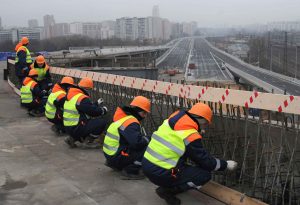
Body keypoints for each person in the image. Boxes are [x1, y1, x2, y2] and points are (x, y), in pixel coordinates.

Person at [142, 103, 238, 205]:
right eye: (205, 124)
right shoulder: (190, 135)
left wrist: (196, 130)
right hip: (161, 173)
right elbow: (205, 162)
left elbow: (178, 139)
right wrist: (225, 165)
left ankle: (169, 183)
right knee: (204, 175)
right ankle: (167, 191)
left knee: (184, 162)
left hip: (146, 165)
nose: (205, 126)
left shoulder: (172, 120)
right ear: (201, 119)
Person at [103, 96, 151, 180]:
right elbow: (137, 143)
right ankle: (131, 171)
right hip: (116, 156)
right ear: (138, 111)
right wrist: (148, 138)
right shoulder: (131, 123)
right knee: (146, 147)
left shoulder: (123, 117)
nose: (145, 116)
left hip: (110, 155)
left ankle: (115, 164)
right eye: (144, 113)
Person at [63, 77, 108, 148]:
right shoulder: (82, 98)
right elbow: (92, 112)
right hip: (76, 127)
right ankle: (88, 142)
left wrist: (96, 103)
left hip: (68, 127)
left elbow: (85, 108)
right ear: (87, 89)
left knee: (87, 122)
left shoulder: (72, 95)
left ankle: (72, 138)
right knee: (101, 122)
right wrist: (103, 110)